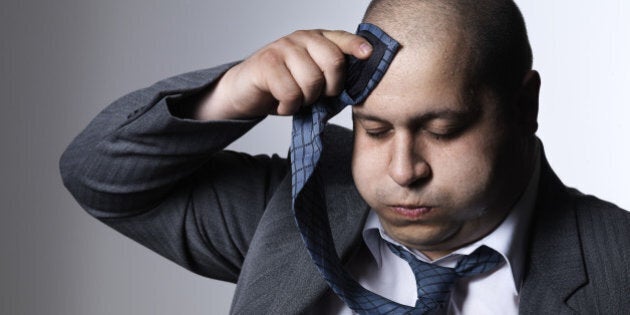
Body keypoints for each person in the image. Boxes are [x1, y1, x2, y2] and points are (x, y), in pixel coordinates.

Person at [60, 0, 630, 313]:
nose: (404, 171)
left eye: (444, 129)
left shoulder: (618, 264)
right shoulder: (295, 211)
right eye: (374, 130)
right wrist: (233, 92)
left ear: (525, 105)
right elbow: (100, 178)